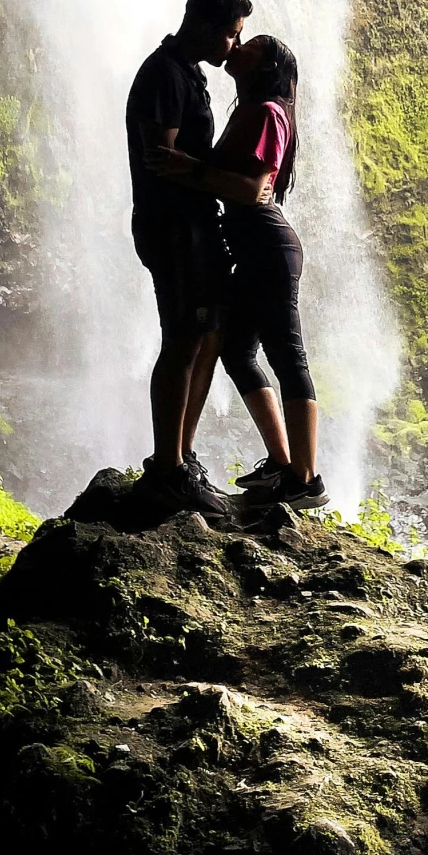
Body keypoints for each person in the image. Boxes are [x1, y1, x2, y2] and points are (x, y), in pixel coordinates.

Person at [152, 32, 325, 513]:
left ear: (267, 66)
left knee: (287, 355)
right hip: (251, 249)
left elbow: (252, 190)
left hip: (269, 247)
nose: (238, 45)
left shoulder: (269, 112)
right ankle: (281, 461)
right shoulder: (250, 111)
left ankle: (305, 479)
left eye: (251, 44)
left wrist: (185, 167)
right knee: (235, 351)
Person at [125, 0, 253, 519]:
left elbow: (182, 162)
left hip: (195, 226)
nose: (236, 46)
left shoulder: (186, 72)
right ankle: (168, 469)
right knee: (182, 339)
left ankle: (181, 457)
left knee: (206, 335)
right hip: (174, 228)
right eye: (230, 34)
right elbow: (162, 159)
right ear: (202, 25)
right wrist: (219, 178)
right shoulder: (164, 75)